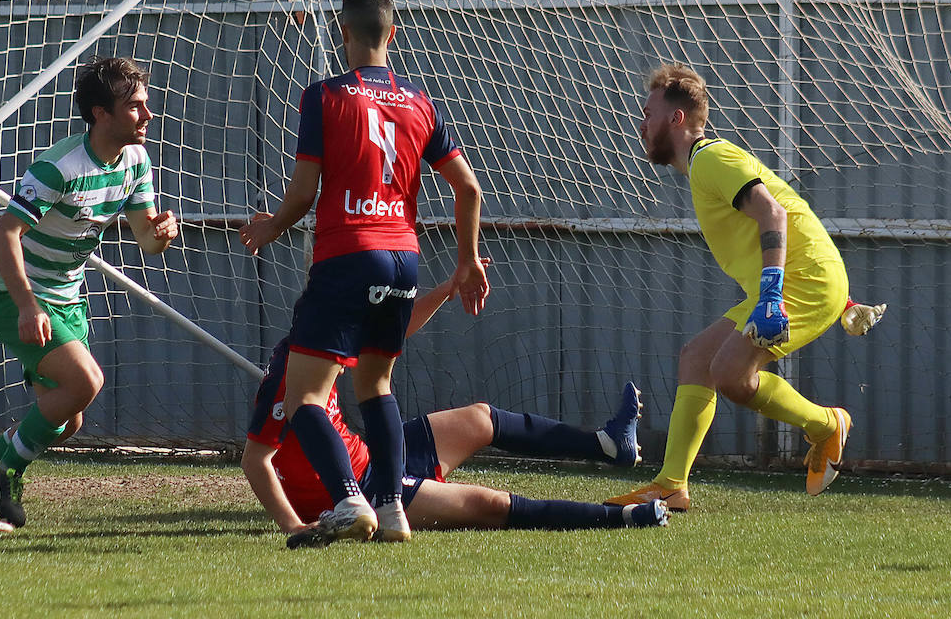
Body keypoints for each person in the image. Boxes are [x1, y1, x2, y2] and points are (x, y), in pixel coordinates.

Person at [240, 0, 488, 545]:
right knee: (376, 385)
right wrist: (468, 261)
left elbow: (303, 194)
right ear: (393, 34)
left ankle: (351, 501)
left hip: (348, 254)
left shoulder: (324, 97)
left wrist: (270, 227)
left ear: (343, 33)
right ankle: (394, 511)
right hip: (404, 259)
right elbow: (468, 190)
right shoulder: (422, 103)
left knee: (304, 395)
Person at [606, 63, 885, 512]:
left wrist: (774, 291)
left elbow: (773, 214)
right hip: (795, 277)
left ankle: (826, 425)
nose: (642, 124)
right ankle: (671, 485)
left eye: (648, 113)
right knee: (697, 358)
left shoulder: (711, 158)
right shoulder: (703, 166)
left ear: (676, 120)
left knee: (731, 376)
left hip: (803, 282)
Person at [0, 56, 178, 532]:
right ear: (99, 114)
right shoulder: (58, 167)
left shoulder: (136, 161)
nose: (148, 116)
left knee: (68, 420)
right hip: (14, 296)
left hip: (67, 299)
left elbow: (148, 242)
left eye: (146, 105)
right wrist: (28, 304)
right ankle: (8, 473)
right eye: (134, 107)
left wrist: (163, 233)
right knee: (86, 382)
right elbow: (4, 234)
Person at [242, 277, 668, 541]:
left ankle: (607, 444)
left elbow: (396, 330)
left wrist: (447, 289)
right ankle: (624, 518)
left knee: (479, 418)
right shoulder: (287, 374)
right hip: (362, 491)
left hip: (373, 458)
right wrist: (295, 526)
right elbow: (255, 459)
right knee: (490, 505)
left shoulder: (322, 343)